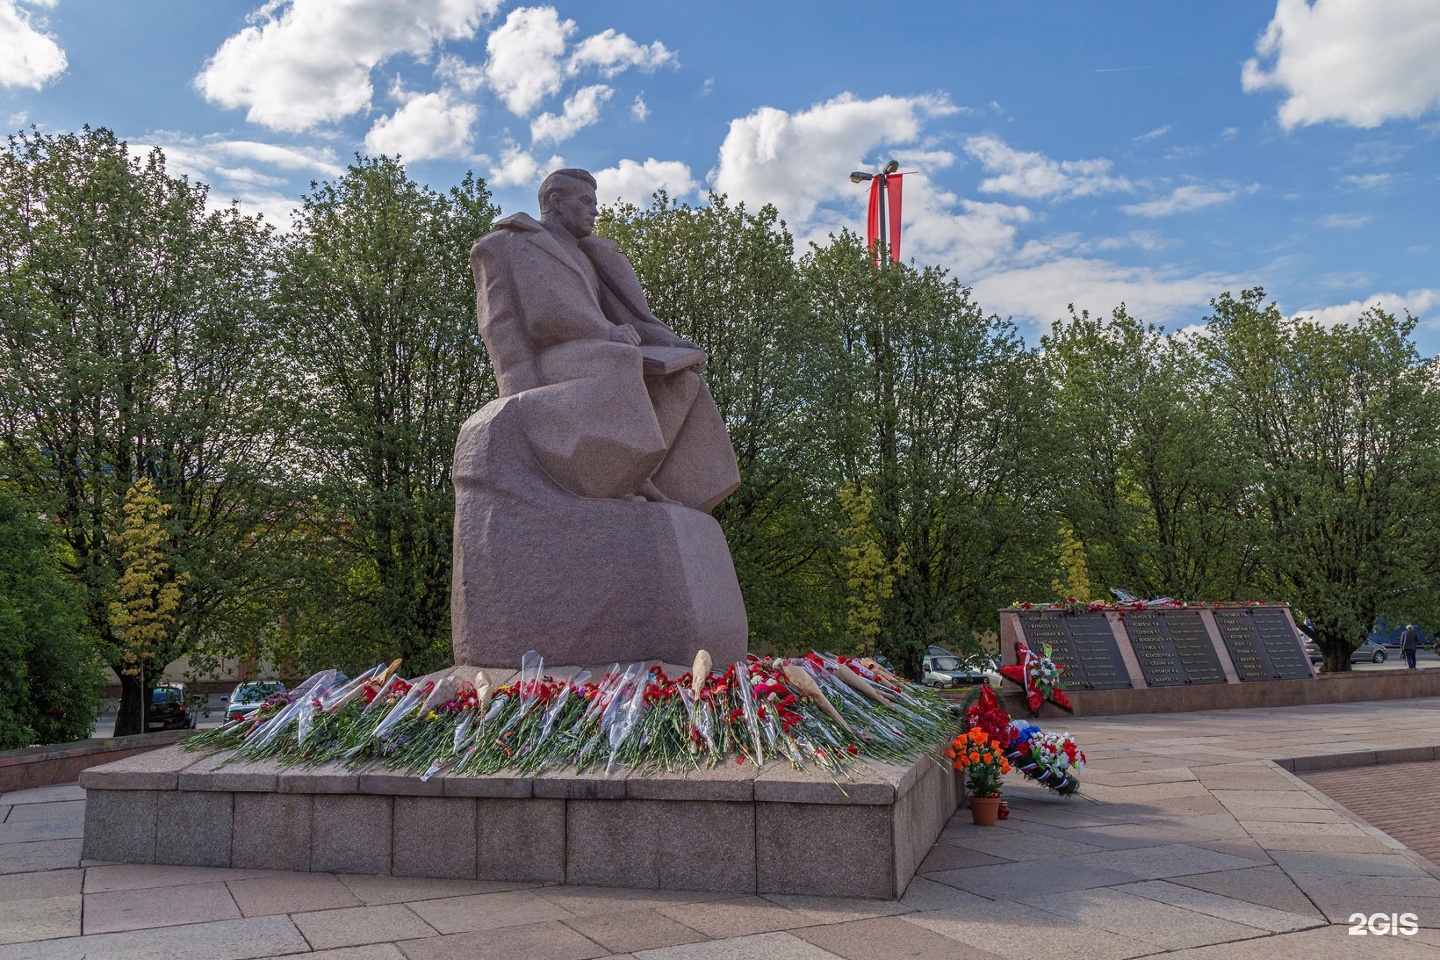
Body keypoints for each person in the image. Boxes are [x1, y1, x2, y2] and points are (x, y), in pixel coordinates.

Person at [468, 168, 739, 511]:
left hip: (599, 352)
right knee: (619, 358)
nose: (594, 210)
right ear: (555, 202)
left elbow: (629, 320)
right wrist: (519, 391)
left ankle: (639, 473)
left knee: (683, 382)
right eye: (585, 201)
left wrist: (674, 344)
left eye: (595, 203)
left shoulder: (592, 255)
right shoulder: (507, 244)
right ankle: (629, 473)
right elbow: (503, 321)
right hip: (552, 360)